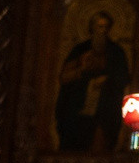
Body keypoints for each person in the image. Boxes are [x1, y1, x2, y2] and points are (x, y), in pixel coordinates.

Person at [53, 12, 130, 151]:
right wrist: (82, 71)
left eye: (106, 27)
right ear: (92, 28)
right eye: (99, 26)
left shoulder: (116, 52)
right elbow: (65, 77)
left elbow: (123, 77)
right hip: (77, 107)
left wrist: (106, 80)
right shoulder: (80, 50)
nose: (103, 31)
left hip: (104, 110)